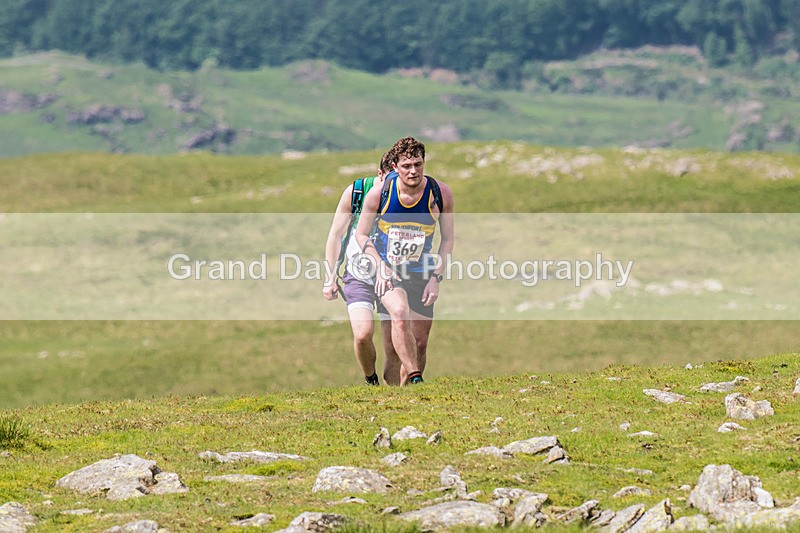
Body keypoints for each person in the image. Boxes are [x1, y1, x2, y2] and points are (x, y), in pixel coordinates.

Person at [354, 137, 455, 385]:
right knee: (399, 316)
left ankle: (407, 394)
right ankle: (416, 377)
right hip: (388, 271)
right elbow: (361, 234)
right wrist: (380, 268)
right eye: (406, 166)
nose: (413, 171)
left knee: (419, 343)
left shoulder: (440, 194)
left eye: (418, 164)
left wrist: (436, 278)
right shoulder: (380, 194)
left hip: (421, 272)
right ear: (395, 167)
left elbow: (448, 239)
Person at [323, 151, 402, 386]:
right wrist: (329, 278)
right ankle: (371, 379)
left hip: (392, 276)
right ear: (380, 174)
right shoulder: (357, 192)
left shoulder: (407, 195)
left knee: (393, 344)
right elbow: (336, 235)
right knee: (362, 334)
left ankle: (394, 393)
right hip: (358, 275)